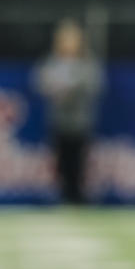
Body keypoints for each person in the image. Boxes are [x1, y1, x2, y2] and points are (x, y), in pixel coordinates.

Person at [32, 19, 103, 204]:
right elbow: (39, 82)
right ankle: (64, 196)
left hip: (80, 121)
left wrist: (73, 89)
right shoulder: (52, 62)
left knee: (78, 161)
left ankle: (78, 197)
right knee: (61, 161)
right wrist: (56, 89)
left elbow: (96, 85)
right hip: (58, 120)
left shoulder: (86, 62)